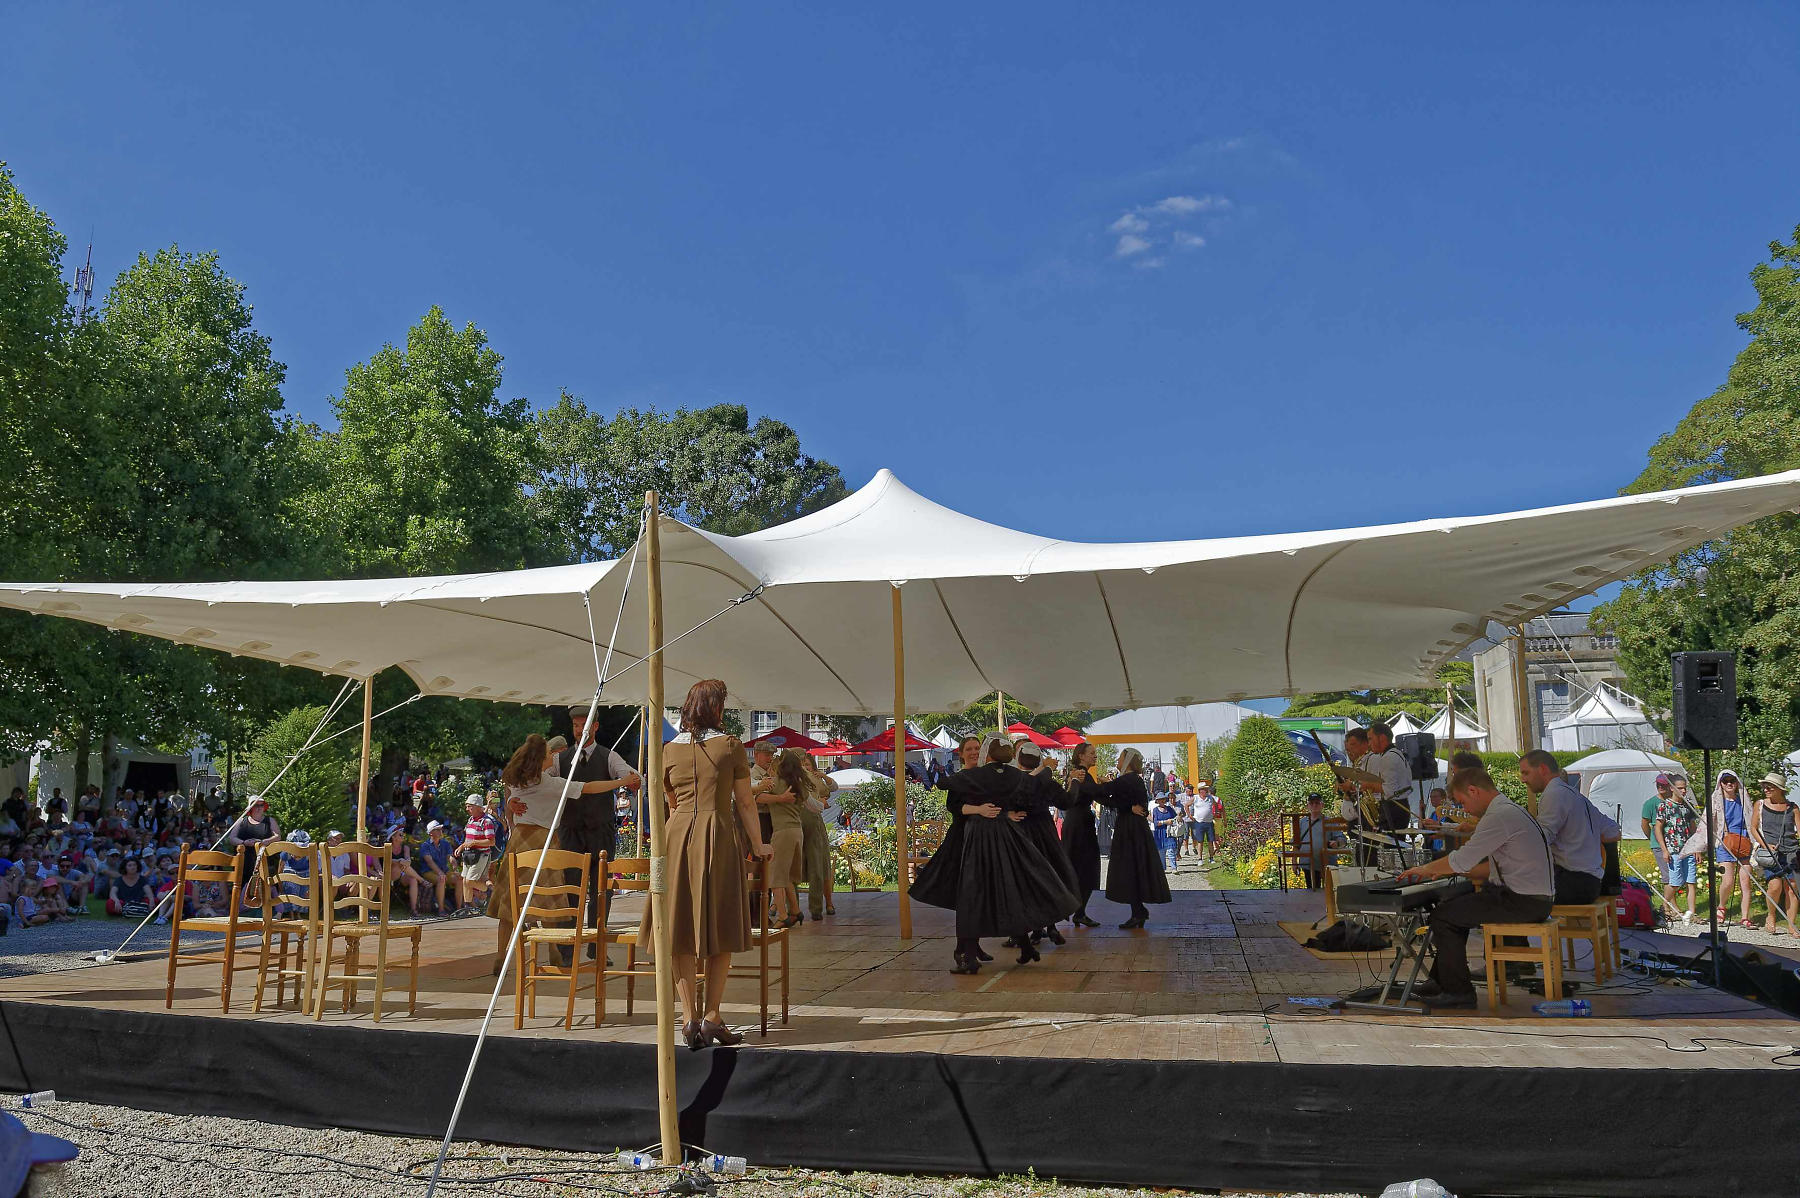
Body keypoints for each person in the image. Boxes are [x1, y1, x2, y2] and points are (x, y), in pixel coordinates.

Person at [642, 679, 771, 1050]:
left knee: (678, 927)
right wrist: (760, 845)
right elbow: (746, 803)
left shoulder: (667, 751)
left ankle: (688, 1019)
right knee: (721, 924)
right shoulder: (731, 746)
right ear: (716, 708)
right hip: (716, 834)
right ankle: (712, 1016)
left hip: (675, 836)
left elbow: (667, 801)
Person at [909, 734, 1077, 972]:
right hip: (986, 837)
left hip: (979, 839)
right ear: (962, 753)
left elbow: (942, 783)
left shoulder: (972, 776)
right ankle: (1013, 944)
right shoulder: (1009, 776)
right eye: (969, 749)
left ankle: (967, 954)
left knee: (976, 894)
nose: (974, 752)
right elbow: (1031, 785)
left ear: (987, 751)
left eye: (978, 748)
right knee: (1007, 887)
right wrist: (1044, 770)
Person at [1396, 766, 1555, 1009]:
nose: (1464, 810)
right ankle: (1440, 981)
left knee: (1443, 917)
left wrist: (1426, 869)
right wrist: (1440, 871)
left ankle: (1459, 992)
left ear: (1473, 791)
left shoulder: (1498, 816)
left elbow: (1462, 860)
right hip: (1527, 896)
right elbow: (1486, 870)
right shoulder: (1508, 810)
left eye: (1462, 802)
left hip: (1524, 901)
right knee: (1453, 906)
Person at [491, 733, 627, 972]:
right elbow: (589, 788)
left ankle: (501, 957)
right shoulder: (550, 783)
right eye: (548, 754)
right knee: (548, 900)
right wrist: (619, 782)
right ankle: (553, 952)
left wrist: (510, 804)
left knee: (510, 905)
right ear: (539, 759)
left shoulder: (514, 780)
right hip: (544, 841)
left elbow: (509, 801)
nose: (552, 756)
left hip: (519, 841)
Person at [556, 703, 644, 936]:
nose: (579, 730)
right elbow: (537, 783)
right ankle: (568, 950)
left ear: (595, 726)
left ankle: (598, 946)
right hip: (570, 833)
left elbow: (635, 777)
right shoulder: (560, 759)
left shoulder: (608, 756)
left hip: (600, 834)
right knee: (570, 889)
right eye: (575, 726)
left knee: (600, 891)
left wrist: (633, 781)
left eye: (583, 725)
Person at [1095, 748, 1172, 928]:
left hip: (1128, 829)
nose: (1118, 760)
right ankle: (1138, 911)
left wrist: (1090, 786)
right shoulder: (1134, 780)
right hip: (1136, 828)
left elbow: (1111, 797)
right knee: (1135, 868)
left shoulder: (1126, 780)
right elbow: (1135, 803)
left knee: (1129, 867)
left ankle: (1138, 911)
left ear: (1127, 760)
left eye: (1120, 757)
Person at [1517, 750, 1607, 906]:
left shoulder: (1554, 794)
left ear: (1543, 769)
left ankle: (1537, 930)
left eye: (1526, 773)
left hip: (1573, 883)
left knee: (1506, 892)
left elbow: (1541, 839)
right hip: (1591, 881)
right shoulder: (1576, 795)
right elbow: (1613, 831)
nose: (1523, 779)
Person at [1011, 740, 1079, 944]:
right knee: (1051, 877)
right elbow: (1067, 802)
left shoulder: (1013, 781)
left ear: (1018, 759)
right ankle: (1051, 926)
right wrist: (1074, 781)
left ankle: (1030, 929)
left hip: (1021, 833)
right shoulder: (1045, 781)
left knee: (1025, 881)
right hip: (1044, 833)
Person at [1681, 769, 1754, 928]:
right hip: (1725, 842)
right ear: (1720, 783)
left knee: (1746, 881)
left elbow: (1752, 819)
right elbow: (1705, 823)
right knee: (1727, 880)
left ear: (1736, 783)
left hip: (1744, 842)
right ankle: (1721, 906)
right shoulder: (1716, 799)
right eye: (1725, 781)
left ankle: (1745, 917)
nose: (1729, 784)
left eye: (1732, 781)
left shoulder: (1743, 799)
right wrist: (1698, 847)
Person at [760, 748, 809, 929]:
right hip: (797, 832)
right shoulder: (800, 784)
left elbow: (758, 797)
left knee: (775, 877)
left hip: (782, 832)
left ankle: (782, 915)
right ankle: (796, 911)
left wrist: (778, 798)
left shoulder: (777, 783)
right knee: (787, 875)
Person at [1058, 743, 1104, 928]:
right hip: (1079, 825)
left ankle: (1078, 911)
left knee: (1080, 867)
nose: (1095, 756)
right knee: (1084, 867)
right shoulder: (1082, 774)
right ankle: (1076, 910)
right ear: (1081, 756)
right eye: (1092, 753)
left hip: (1078, 822)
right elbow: (1095, 794)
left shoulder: (1080, 774)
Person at [1749, 774, 1800, 937]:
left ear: (1780, 789)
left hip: (1792, 852)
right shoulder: (1760, 804)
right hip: (1771, 853)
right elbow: (1753, 828)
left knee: (1792, 889)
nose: (1766, 789)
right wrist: (1765, 845)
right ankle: (1771, 916)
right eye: (1764, 786)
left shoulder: (1792, 808)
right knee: (1775, 886)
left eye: (1770, 786)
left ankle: (1791, 925)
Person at [1654, 772, 1699, 923]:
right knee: (1675, 882)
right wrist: (1664, 849)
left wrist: (1696, 848)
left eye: (1685, 788)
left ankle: (1691, 912)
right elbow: (1658, 828)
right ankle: (1664, 905)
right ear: (1672, 788)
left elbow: (1693, 829)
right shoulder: (1665, 806)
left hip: (1688, 849)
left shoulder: (1688, 806)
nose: (1683, 791)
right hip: (1673, 849)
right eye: (1680, 788)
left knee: (1691, 881)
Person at [797, 754, 838, 919]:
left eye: (808, 764)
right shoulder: (793, 778)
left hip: (815, 823)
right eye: (802, 764)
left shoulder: (814, 780)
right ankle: (781, 905)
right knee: (793, 865)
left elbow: (833, 788)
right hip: (796, 822)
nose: (805, 767)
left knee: (821, 863)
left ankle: (827, 903)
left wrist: (823, 776)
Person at [224, 795, 281, 909]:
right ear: (251, 807)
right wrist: (244, 842)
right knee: (243, 885)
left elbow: (277, 836)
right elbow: (232, 838)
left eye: (261, 805)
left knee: (266, 886)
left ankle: (269, 912)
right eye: (256, 805)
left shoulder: (269, 821)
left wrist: (263, 842)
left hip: (264, 859)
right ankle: (241, 910)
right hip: (245, 860)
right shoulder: (242, 821)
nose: (259, 808)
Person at [417, 821, 458, 915]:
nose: (440, 831)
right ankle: (441, 910)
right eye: (437, 829)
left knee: (459, 878)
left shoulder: (445, 844)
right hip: (428, 872)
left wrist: (454, 867)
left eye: (441, 829)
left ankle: (460, 908)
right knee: (441, 879)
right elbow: (429, 862)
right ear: (431, 833)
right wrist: (440, 873)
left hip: (443, 871)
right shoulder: (425, 845)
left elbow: (450, 857)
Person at [1296, 794, 1335, 889]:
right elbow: (1296, 843)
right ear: (1308, 805)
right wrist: (1294, 862)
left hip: (1327, 862)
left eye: (1317, 803)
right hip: (1308, 863)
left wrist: (1336, 843)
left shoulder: (1330, 822)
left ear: (1322, 805)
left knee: (1328, 892)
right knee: (1311, 892)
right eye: (1311, 803)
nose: (1314, 805)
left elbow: (1340, 838)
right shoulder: (1302, 822)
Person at [1189, 779, 1219, 865]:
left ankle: (1211, 858)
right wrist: (1190, 816)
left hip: (1209, 822)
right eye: (1204, 789)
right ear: (1200, 790)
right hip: (1199, 823)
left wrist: (1215, 813)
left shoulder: (1210, 798)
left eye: (1206, 789)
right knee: (1200, 841)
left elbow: (1216, 804)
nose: (1206, 790)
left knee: (1210, 840)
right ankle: (1200, 859)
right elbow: (1186, 805)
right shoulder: (1195, 798)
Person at [1150, 792, 1180, 871]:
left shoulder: (1169, 809)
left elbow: (1175, 817)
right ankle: (1162, 869)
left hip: (1169, 832)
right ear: (1158, 801)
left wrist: (1178, 817)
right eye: (1160, 799)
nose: (1162, 801)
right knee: (1161, 852)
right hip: (1159, 833)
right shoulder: (1155, 810)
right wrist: (1165, 822)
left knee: (1171, 850)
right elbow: (1155, 822)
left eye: (1163, 799)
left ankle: (1174, 868)